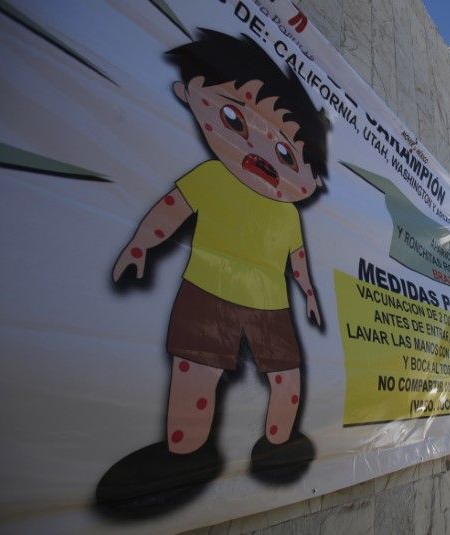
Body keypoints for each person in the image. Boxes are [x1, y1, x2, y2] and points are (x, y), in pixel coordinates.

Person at [97, 29, 330, 512]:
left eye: (287, 155)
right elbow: (170, 209)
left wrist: (307, 291)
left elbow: (297, 258)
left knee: (286, 378)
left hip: (271, 304)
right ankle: (184, 454)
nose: (265, 153)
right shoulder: (212, 177)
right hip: (208, 291)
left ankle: (277, 443)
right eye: (234, 118)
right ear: (190, 96)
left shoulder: (287, 214)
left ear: (309, 182)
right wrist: (141, 245)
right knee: (195, 372)